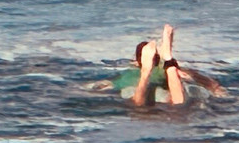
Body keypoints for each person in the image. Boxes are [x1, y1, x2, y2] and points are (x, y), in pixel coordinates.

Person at [86, 23, 226, 104]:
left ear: (136, 61)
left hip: (143, 91)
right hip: (165, 88)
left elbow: (98, 87)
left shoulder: (126, 75)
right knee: (177, 101)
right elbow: (212, 85)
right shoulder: (130, 75)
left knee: (139, 103)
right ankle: (168, 57)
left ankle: (150, 69)